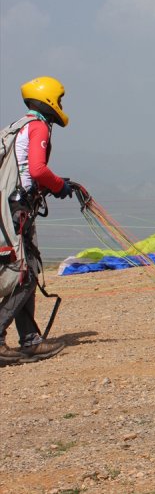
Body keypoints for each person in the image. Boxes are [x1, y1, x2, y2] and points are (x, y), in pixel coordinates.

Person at [0, 76, 74, 365]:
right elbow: (38, 170)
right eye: (60, 100)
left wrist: (53, 185)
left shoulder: (20, 125)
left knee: (25, 271)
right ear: (50, 99)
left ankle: (30, 341)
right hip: (17, 211)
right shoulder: (39, 126)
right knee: (25, 275)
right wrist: (59, 186)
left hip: (12, 208)